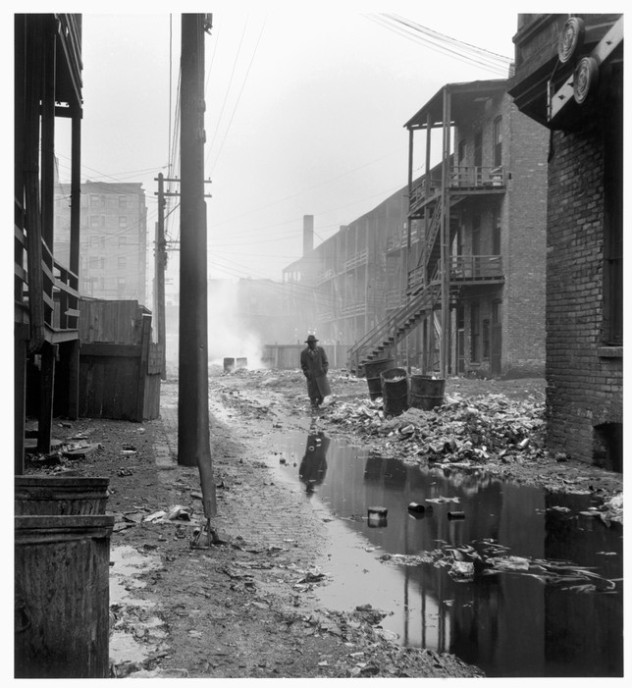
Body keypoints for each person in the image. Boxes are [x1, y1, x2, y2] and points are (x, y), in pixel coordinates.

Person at [300, 334, 331, 411]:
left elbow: (325, 362)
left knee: (322, 395)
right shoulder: (304, 353)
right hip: (312, 378)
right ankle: (313, 412)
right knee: (312, 397)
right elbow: (303, 366)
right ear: (308, 344)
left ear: (315, 343)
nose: (312, 344)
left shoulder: (320, 350)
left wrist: (324, 370)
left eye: (313, 342)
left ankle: (318, 408)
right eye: (311, 343)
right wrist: (307, 373)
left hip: (321, 377)